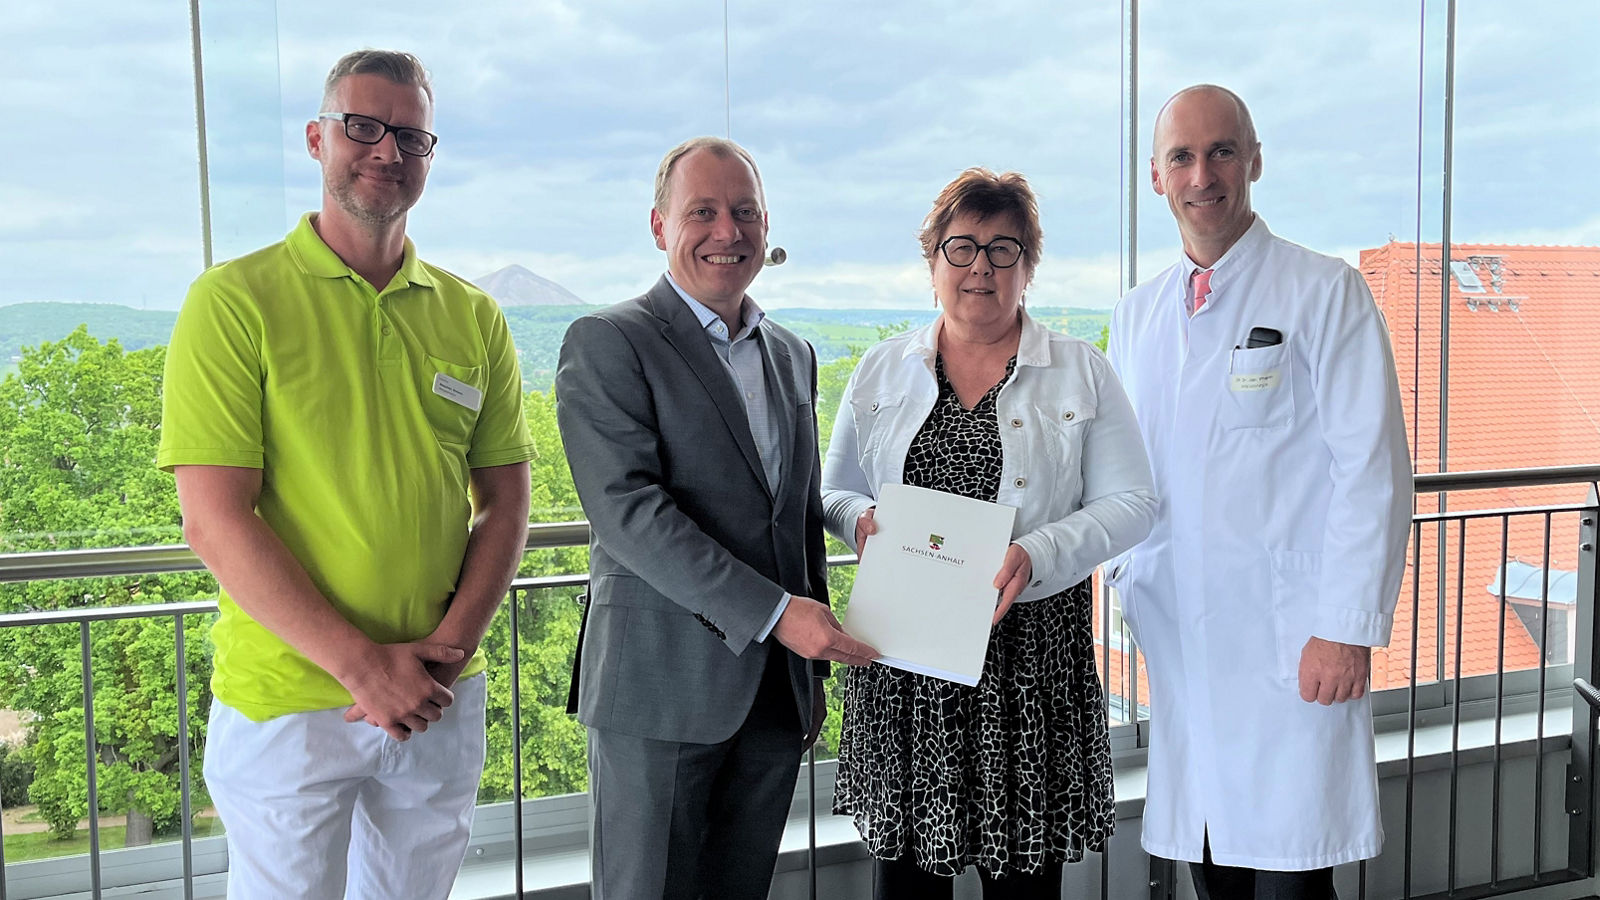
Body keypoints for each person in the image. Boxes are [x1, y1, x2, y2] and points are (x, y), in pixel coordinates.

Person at [158, 50, 535, 899]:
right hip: (287, 700)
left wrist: (445, 660)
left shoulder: (473, 315)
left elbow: (506, 506)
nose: (386, 150)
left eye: (411, 135)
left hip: (437, 696)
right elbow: (215, 519)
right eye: (362, 126)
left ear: (429, 154)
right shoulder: (233, 301)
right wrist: (363, 667)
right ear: (316, 139)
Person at [1106, 84, 1413, 900]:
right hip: (1184, 647)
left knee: (1291, 882)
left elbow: (1373, 468)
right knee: (1212, 871)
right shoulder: (1135, 317)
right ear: (1156, 176)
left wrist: (1345, 627)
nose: (1202, 175)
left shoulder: (1325, 291)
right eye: (1182, 157)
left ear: (1255, 161)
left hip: (1292, 645)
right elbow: (1123, 471)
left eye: (1222, 152)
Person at [554, 136, 878, 900]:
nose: (727, 231)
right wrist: (777, 615)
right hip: (657, 692)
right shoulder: (609, 342)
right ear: (659, 226)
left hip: (772, 698)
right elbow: (628, 513)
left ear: (767, 226)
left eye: (745, 212)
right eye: (702, 212)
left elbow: (794, 516)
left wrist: (809, 668)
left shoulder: (792, 354)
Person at [822, 168, 1158, 900]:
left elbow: (1135, 502)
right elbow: (834, 490)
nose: (981, 266)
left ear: (1028, 266)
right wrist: (860, 522)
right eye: (962, 247)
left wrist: (1038, 553)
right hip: (910, 665)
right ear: (933, 262)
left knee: (1024, 886)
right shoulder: (881, 370)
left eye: (1003, 249)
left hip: (1031, 666)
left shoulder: (1081, 370)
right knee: (907, 884)